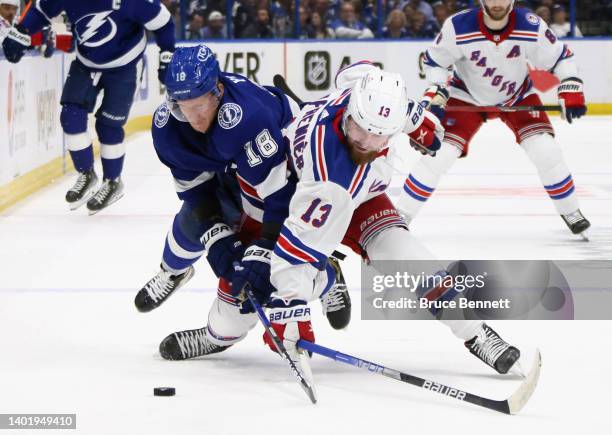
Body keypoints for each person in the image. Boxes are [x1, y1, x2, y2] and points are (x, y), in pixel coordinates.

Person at [263, 62, 522, 379]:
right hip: (305, 197)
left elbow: (369, 79)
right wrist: (289, 310)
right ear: (351, 112)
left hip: (363, 198)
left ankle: (474, 331)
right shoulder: (330, 174)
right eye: (360, 130)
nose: (367, 143)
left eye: (380, 135)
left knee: (408, 258)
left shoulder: (364, 90)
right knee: (297, 265)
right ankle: (325, 272)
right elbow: (295, 251)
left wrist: (417, 124)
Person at [134, 45, 351, 360]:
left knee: (274, 269)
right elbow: (196, 192)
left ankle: (325, 273)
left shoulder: (247, 117)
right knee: (192, 223)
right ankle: (173, 271)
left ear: (218, 90)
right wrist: (218, 239)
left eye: (200, 106)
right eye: (183, 106)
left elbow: (281, 197)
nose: (192, 118)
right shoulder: (168, 128)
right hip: (234, 166)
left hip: (282, 163)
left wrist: (262, 253)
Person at [398, 0, 590, 238]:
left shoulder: (530, 25)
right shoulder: (458, 26)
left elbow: (561, 58)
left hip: (517, 95)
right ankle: (400, 216)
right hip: (465, 94)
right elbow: (435, 62)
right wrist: (437, 90)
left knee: (546, 151)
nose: (497, 3)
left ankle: (571, 211)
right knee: (438, 157)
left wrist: (570, 85)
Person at [2, 0, 176, 214]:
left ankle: (112, 181)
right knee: (70, 116)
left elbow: (164, 23)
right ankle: (86, 174)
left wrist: (167, 55)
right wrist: (21, 32)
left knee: (108, 126)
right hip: (86, 63)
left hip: (126, 65)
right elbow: (42, 10)